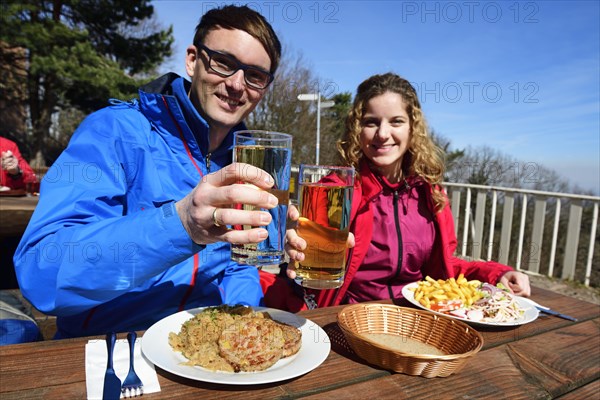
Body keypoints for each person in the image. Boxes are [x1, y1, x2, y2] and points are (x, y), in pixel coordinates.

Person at [14, 5, 283, 338]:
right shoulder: (113, 131)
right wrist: (181, 224)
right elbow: (39, 273)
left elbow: (238, 267)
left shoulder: (245, 157)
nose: (236, 84)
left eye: (255, 76)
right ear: (192, 60)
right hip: (114, 354)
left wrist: (241, 327)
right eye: (224, 63)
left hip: (203, 354)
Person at [263, 72, 530, 311]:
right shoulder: (338, 190)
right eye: (371, 122)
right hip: (350, 320)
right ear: (357, 129)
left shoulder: (430, 192)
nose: (383, 133)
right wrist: (296, 245)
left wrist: (496, 274)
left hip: (418, 318)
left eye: (396, 121)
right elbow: (311, 258)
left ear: (413, 128)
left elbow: (444, 267)